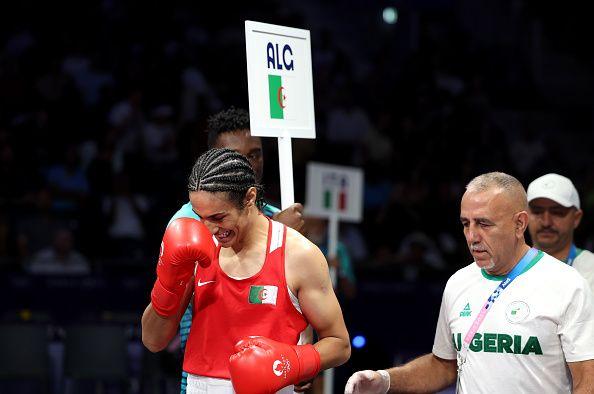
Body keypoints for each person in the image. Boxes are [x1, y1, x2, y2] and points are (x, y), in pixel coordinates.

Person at [344, 172, 594, 394]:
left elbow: (587, 380)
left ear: (519, 224)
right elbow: (443, 367)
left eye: (484, 223)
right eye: (466, 223)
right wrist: (384, 380)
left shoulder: (568, 284)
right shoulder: (459, 282)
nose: (472, 236)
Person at [142, 148, 350, 394]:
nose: (209, 228)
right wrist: (169, 283)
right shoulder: (196, 248)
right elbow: (153, 340)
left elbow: (340, 345)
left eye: (219, 217)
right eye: (201, 217)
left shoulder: (298, 255)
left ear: (249, 197)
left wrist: (290, 363)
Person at [170, 107, 307, 393]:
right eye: (236, 156)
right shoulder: (186, 221)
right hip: (205, 377)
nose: (248, 164)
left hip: (273, 380)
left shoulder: (278, 216)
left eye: (255, 154)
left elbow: (300, 305)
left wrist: (302, 359)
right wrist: (275, 231)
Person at [527, 173, 594, 293]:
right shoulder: (507, 267)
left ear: (576, 218)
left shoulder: (591, 270)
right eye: (537, 212)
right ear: (524, 217)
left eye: (557, 212)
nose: (546, 222)